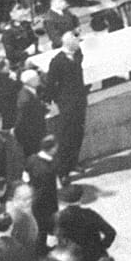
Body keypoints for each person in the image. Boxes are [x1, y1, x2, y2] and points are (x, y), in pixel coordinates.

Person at [45, 30, 88, 179]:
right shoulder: (57, 61)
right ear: (70, 44)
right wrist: (51, 100)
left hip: (79, 100)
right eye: (77, 42)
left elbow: (79, 56)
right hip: (66, 103)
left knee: (78, 133)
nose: (79, 44)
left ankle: (74, 162)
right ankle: (63, 171)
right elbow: (50, 83)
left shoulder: (77, 54)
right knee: (66, 137)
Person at [55, 185, 117, 261]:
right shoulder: (90, 214)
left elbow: (59, 239)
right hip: (94, 257)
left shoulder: (61, 217)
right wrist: (101, 247)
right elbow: (111, 232)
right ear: (81, 198)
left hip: (74, 260)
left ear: (64, 201)